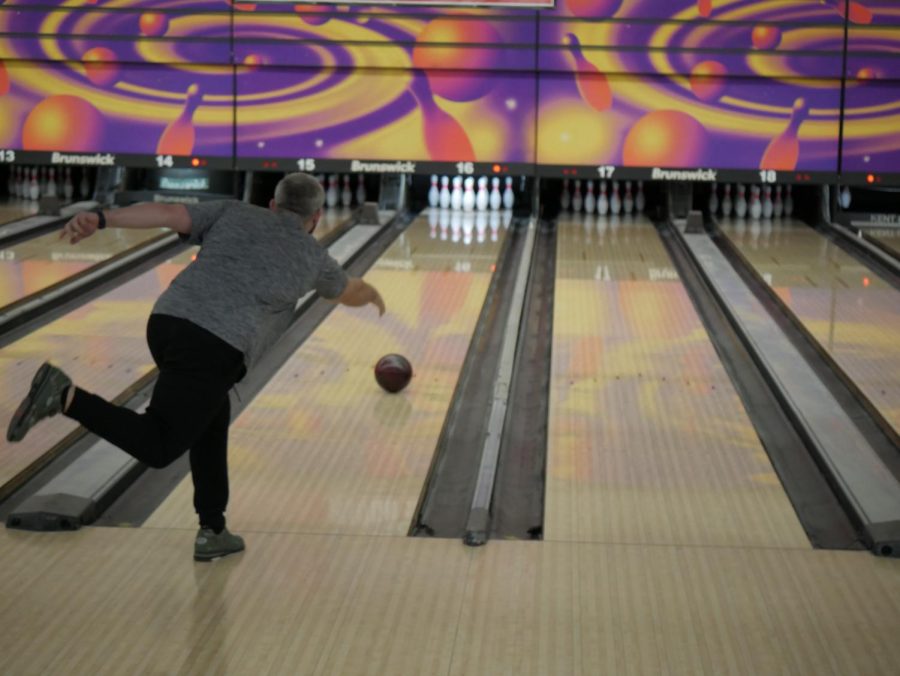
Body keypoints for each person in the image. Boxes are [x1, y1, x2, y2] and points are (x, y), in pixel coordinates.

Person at [7, 172, 385, 561]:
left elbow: (168, 212)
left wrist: (101, 219)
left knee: (211, 416)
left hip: (167, 322)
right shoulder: (314, 257)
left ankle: (213, 527)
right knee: (158, 445)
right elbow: (347, 291)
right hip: (213, 345)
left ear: (272, 204)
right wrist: (371, 293)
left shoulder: (234, 211)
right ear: (317, 217)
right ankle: (65, 396)